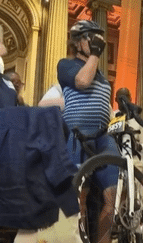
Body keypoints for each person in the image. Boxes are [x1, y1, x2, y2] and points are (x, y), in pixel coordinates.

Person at [57, 20, 118, 243]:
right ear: (78, 41)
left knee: (113, 198)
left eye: (97, 38)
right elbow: (82, 81)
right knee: (79, 198)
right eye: (90, 37)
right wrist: (94, 54)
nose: (95, 42)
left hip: (102, 138)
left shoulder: (100, 74)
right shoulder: (66, 65)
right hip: (77, 136)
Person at [113, 87, 143, 170]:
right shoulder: (112, 117)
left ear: (130, 98)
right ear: (116, 100)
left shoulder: (138, 120)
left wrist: (137, 146)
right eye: (120, 97)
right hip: (117, 163)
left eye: (126, 97)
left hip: (135, 163)